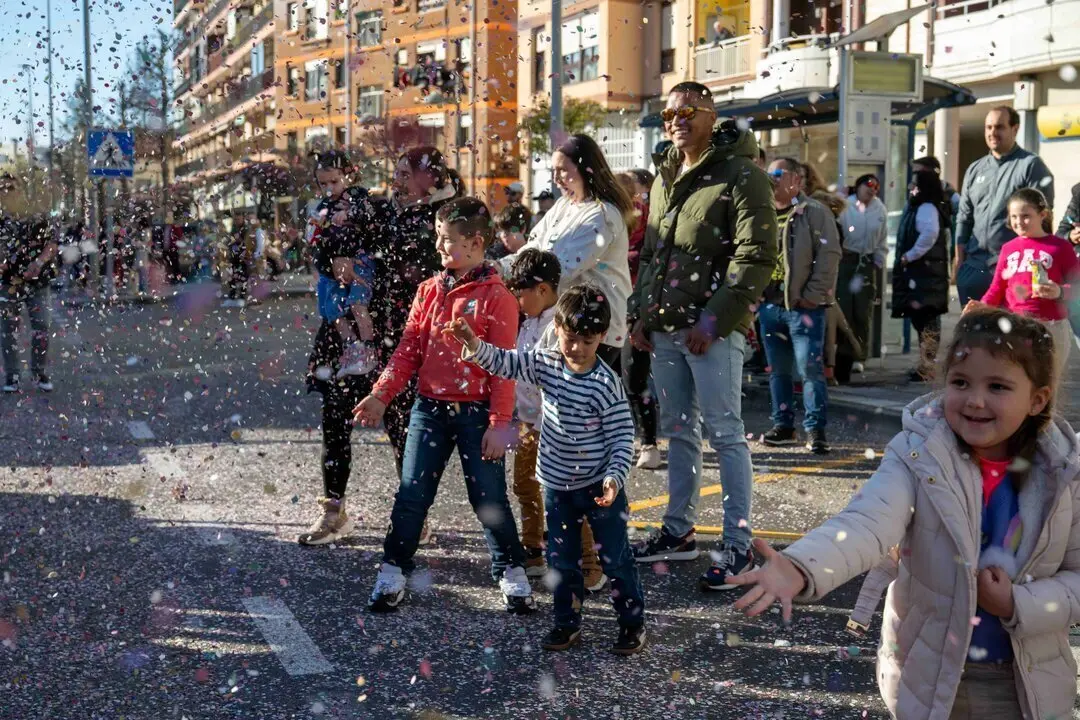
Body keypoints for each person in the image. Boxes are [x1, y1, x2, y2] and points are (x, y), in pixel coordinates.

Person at [730, 306, 1080, 720]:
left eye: (999, 387)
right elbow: (867, 521)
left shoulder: (1064, 474)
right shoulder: (917, 455)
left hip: (1025, 683)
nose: (976, 400)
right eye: (961, 382)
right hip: (931, 673)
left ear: (1037, 399)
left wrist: (1016, 604)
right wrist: (803, 566)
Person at [627, 82, 777, 592]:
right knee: (678, 430)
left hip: (712, 331)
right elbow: (652, 253)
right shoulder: (667, 174)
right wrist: (642, 315)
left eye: (688, 111)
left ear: (713, 115)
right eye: (669, 112)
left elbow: (756, 257)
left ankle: (738, 545)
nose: (676, 119)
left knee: (725, 432)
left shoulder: (743, 175)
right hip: (667, 327)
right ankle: (678, 530)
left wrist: (713, 321)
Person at [355, 197, 536, 615]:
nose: (438, 247)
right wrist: (382, 394)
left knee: (488, 495)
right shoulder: (428, 291)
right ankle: (393, 568)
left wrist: (499, 422)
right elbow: (407, 352)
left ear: (475, 242)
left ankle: (511, 569)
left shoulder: (498, 298)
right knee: (412, 493)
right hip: (429, 408)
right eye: (437, 238)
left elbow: (503, 368)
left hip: (477, 412)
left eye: (447, 240)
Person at [446, 284, 645, 655]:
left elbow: (621, 438)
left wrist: (614, 479)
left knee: (615, 558)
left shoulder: (606, 384)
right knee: (561, 559)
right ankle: (566, 623)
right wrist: (472, 341)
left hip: (600, 488)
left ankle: (632, 623)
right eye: (571, 338)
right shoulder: (548, 362)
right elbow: (507, 362)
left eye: (587, 341)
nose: (577, 349)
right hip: (557, 486)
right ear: (558, 328)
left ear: (602, 337)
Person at [301, 147, 454, 546]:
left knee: (401, 425)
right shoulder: (381, 208)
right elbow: (323, 239)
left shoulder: (443, 216)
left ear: (431, 179)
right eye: (397, 173)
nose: (398, 181)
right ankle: (333, 511)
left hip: (398, 337)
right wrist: (333, 260)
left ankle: (414, 514)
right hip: (349, 335)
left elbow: (431, 271)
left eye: (407, 174)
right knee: (335, 417)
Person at [502, 249, 607, 589]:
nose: (517, 300)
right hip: (528, 423)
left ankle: (590, 562)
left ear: (543, 290)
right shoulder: (529, 322)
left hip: (559, 428)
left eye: (521, 292)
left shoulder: (560, 327)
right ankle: (533, 548)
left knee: (569, 495)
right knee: (525, 487)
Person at [502, 134, 633, 373]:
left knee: (580, 405)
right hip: (570, 321)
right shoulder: (564, 205)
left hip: (596, 328)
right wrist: (497, 268)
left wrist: (513, 282)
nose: (556, 178)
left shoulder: (602, 214)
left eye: (563, 170)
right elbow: (532, 248)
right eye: (554, 170)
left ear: (586, 169)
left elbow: (560, 270)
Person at [759, 157, 841, 454]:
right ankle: (784, 426)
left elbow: (829, 256)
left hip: (803, 308)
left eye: (778, 174)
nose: (772, 180)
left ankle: (815, 430)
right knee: (777, 371)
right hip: (770, 307)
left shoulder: (814, 212)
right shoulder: (763, 212)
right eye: (768, 175)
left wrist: (812, 295)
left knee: (810, 371)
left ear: (796, 179)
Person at [974, 188, 1080, 382]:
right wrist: (981, 307)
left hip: (1052, 328)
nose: (1018, 222)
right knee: (1017, 384)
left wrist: (1059, 292)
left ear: (1043, 215)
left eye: (1025, 216)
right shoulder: (1008, 248)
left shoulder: (1060, 247)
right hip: (1016, 328)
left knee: (1047, 386)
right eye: (1013, 216)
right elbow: (997, 289)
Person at [955, 107, 1054, 305]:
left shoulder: (1031, 166)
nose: (992, 132)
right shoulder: (975, 169)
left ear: (1015, 129)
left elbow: (1042, 219)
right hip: (974, 269)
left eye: (999, 127)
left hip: (1012, 270)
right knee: (974, 334)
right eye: (988, 127)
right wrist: (959, 262)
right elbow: (964, 217)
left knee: (1010, 333)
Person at [307, 154, 378, 379]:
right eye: (323, 183)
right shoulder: (324, 206)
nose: (329, 188)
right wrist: (315, 231)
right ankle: (352, 348)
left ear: (348, 175)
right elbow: (318, 242)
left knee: (358, 305)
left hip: (361, 261)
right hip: (335, 270)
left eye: (334, 182)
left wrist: (349, 213)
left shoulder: (357, 196)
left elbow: (370, 213)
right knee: (333, 310)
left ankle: (368, 349)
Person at [617, 170, 661, 469]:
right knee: (608, 380)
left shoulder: (646, 225)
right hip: (604, 308)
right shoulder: (602, 222)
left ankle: (648, 442)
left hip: (636, 309)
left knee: (635, 378)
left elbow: (652, 267)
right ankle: (616, 441)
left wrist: (643, 314)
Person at [892, 169, 950, 383]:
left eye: (915, 184)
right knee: (924, 321)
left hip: (925, 274)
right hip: (924, 275)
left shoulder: (926, 208)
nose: (910, 188)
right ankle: (925, 365)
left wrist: (910, 255)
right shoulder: (921, 206)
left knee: (927, 321)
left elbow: (929, 234)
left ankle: (927, 366)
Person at [1, 212, 58, 393]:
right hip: (8, 283)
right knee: (9, 329)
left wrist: (38, 263)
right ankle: (12, 376)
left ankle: (39, 372)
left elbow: (52, 244)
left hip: (38, 283)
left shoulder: (40, 213)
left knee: (42, 326)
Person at [837, 174, 887, 374]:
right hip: (846, 261)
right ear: (857, 187)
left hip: (866, 262)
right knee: (844, 309)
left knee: (862, 311)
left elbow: (882, 239)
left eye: (876, 187)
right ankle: (843, 354)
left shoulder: (880, 209)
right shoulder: (845, 206)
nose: (872, 189)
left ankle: (860, 355)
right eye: (868, 185)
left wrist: (878, 260)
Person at [222, 212, 253, 308]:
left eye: (238, 219)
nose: (237, 221)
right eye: (235, 219)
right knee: (232, 277)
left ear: (243, 219)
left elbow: (248, 243)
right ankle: (231, 297)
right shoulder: (233, 228)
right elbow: (230, 241)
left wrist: (238, 239)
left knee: (243, 277)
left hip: (244, 257)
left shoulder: (247, 229)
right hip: (234, 256)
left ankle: (242, 298)